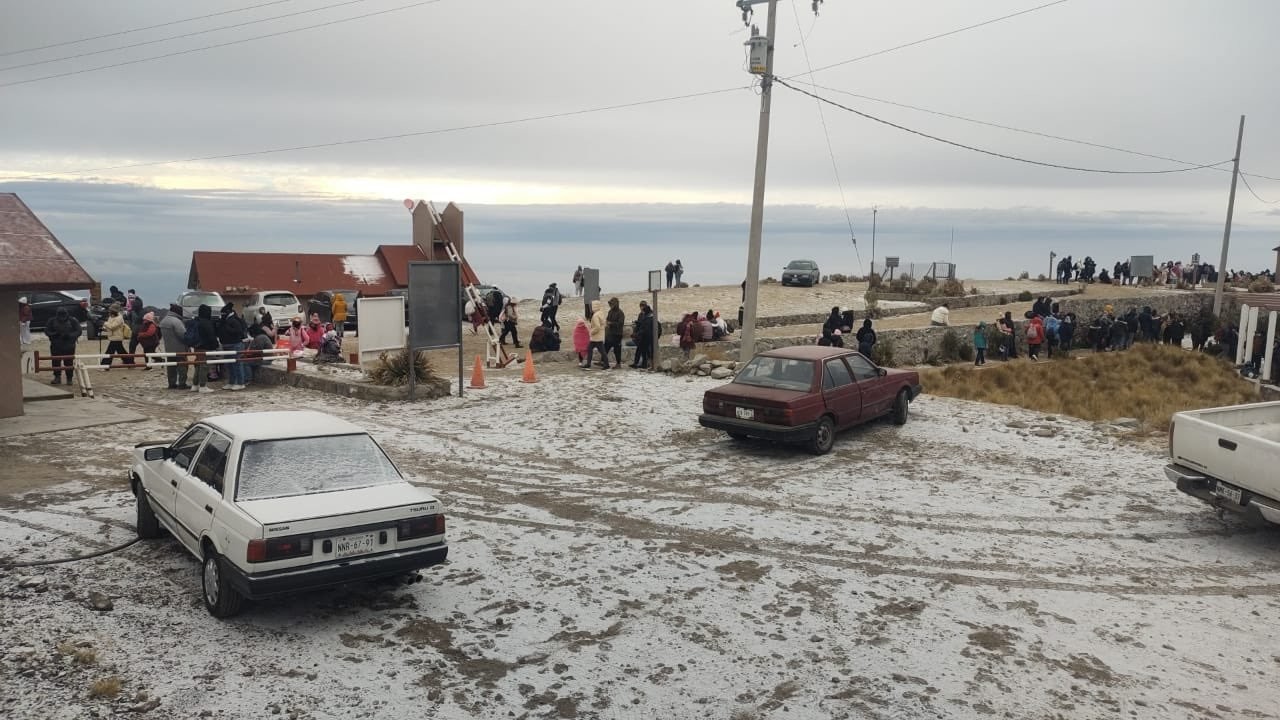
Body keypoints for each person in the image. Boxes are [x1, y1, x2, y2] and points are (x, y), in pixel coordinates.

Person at [43, 307, 81, 385]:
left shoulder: (72, 320)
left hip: (69, 345)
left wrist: (70, 335)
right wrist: (54, 334)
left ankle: (69, 378)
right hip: (56, 344)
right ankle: (57, 377)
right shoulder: (52, 321)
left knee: (69, 362)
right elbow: (47, 331)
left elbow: (78, 331)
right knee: (56, 361)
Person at [217, 303, 249, 391]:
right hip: (226, 345)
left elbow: (238, 331)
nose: (222, 315)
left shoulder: (234, 320)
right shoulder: (224, 320)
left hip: (236, 345)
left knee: (237, 364)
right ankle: (231, 382)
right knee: (230, 365)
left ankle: (240, 383)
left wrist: (227, 327)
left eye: (223, 313)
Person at [159, 304, 190, 390]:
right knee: (182, 367)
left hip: (168, 349)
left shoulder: (164, 320)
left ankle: (171, 383)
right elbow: (183, 335)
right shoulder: (176, 321)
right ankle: (182, 383)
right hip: (179, 349)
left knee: (171, 367)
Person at [189, 304, 219, 393]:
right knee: (204, 366)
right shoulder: (206, 322)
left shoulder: (196, 321)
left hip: (197, 346)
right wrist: (215, 345)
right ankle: (203, 385)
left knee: (198, 365)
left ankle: (195, 385)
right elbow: (211, 336)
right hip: (205, 347)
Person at [631, 301, 655, 369]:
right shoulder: (642, 314)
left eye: (643, 306)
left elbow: (645, 327)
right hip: (642, 335)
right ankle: (639, 363)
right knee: (641, 350)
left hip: (646, 336)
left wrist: (637, 334)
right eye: (641, 306)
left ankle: (646, 364)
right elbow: (641, 325)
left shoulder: (649, 315)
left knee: (647, 351)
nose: (641, 307)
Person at [585, 300, 608, 369]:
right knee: (593, 349)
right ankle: (589, 364)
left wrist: (591, 332)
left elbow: (597, 327)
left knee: (600, 351)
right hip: (599, 336)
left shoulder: (595, 316)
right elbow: (604, 324)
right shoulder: (601, 313)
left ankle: (606, 365)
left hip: (596, 337)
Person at [604, 297, 625, 369]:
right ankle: (603, 361)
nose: (610, 305)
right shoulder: (610, 311)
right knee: (605, 347)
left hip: (617, 334)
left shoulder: (620, 313)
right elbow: (607, 319)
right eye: (610, 304)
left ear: (615, 304)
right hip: (610, 334)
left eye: (611, 304)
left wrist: (611, 323)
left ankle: (618, 364)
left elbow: (620, 323)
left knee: (617, 350)